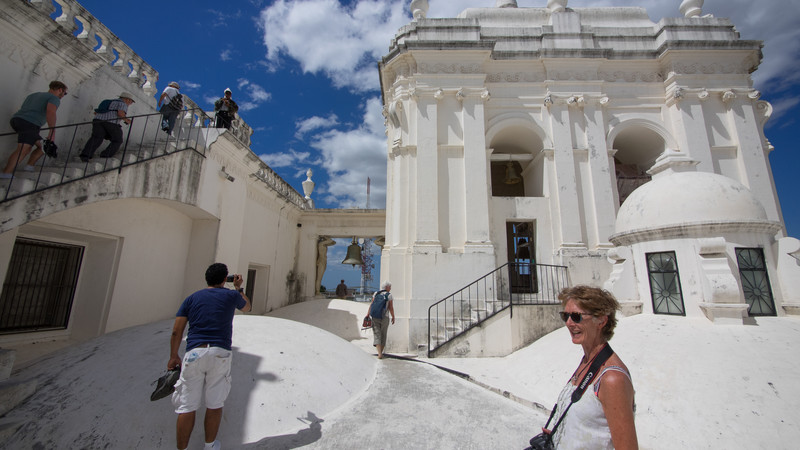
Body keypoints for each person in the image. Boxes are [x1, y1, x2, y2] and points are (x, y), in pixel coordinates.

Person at [167, 263, 251, 450]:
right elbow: (247, 307)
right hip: (219, 353)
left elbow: (176, 331)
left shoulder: (191, 299)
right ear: (224, 279)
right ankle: (210, 446)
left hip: (194, 353)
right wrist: (239, 288)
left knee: (187, 406)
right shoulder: (231, 295)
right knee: (214, 403)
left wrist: (174, 356)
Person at [542, 285, 638, 449]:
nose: (569, 323)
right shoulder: (587, 362)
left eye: (576, 317)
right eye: (565, 316)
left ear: (601, 320)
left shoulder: (612, 378)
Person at [1, 80, 68, 178]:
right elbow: (51, 112)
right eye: (64, 93)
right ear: (60, 90)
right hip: (30, 124)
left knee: (45, 146)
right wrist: (52, 131)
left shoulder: (33, 95)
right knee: (23, 148)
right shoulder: (54, 98)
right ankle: (6, 173)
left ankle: (29, 166)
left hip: (18, 120)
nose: (63, 96)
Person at [78, 92, 135, 162]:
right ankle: (105, 155)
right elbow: (120, 113)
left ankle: (85, 155)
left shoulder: (110, 102)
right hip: (111, 122)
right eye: (131, 102)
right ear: (127, 99)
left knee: (97, 138)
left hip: (98, 120)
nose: (130, 104)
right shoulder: (123, 104)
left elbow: (97, 112)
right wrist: (127, 120)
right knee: (118, 140)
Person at [368, 281, 395, 359]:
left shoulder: (376, 293)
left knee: (377, 334)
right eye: (389, 287)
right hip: (384, 317)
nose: (390, 288)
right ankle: (380, 353)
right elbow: (391, 307)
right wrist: (393, 316)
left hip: (375, 316)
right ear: (386, 287)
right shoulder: (389, 295)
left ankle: (379, 353)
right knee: (383, 334)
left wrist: (368, 314)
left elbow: (372, 304)